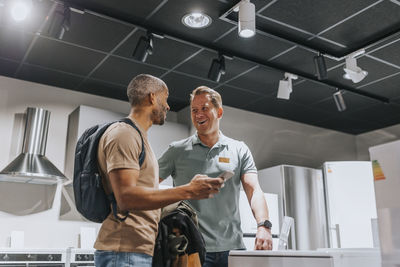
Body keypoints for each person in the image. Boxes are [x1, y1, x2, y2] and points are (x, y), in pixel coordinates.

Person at [93, 75, 224, 267]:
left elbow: (142, 194)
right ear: (152, 97)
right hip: (124, 251)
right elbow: (126, 197)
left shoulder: (138, 136)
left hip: (137, 250)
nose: (168, 106)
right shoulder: (124, 134)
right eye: (165, 98)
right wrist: (188, 190)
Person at [158, 86, 273, 267]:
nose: (198, 114)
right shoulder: (177, 150)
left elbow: (254, 189)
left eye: (204, 108)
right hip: (191, 248)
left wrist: (264, 226)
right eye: (194, 110)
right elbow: (147, 186)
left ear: (219, 112)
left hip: (232, 248)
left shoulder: (239, 149)